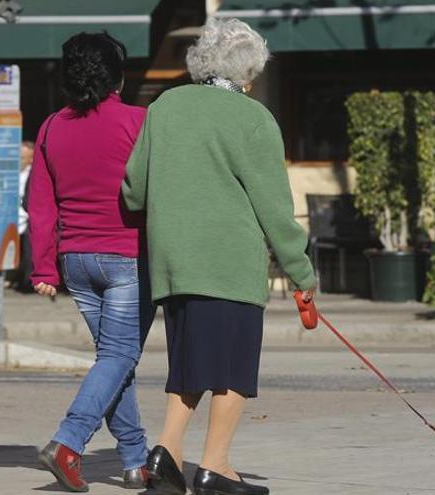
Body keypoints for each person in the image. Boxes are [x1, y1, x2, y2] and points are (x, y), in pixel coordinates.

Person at [122, 17, 317, 495]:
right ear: (249, 73)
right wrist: (301, 272)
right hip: (228, 260)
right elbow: (275, 208)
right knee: (231, 369)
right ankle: (217, 468)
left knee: (188, 365)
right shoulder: (253, 119)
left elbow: (133, 190)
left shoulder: (165, 106)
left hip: (171, 260)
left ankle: (166, 454)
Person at [29, 32, 153, 492]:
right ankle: (69, 440)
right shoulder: (139, 122)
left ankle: (136, 460)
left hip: (74, 259)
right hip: (126, 256)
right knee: (119, 355)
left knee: (113, 361)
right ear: (118, 77)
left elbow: (41, 204)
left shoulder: (51, 127)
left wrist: (43, 268)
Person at [9, 140, 35, 293]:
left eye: (22, 158)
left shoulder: (34, 174)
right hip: (10, 218)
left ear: (31, 159)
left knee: (28, 251)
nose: (18, 161)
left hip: (27, 218)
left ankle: (26, 282)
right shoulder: (9, 173)